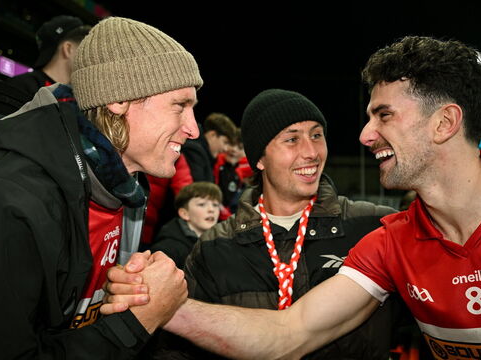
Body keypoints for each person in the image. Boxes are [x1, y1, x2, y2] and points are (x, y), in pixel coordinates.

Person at [104, 36, 481, 359]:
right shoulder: (392, 243)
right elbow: (290, 334)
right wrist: (165, 303)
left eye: (383, 116)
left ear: (445, 123)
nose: (363, 135)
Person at [0, 16, 203, 359]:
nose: (193, 130)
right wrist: (137, 322)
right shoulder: (6, 199)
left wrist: (122, 294)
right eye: (180, 106)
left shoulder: (126, 186)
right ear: (119, 100)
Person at [145, 88, 403, 359]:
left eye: (317, 135)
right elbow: (177, 351)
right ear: (259, 158)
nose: (311, 152)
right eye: (292, 140)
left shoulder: (373, 225)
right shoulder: (215, 247)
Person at [6, 15, 91, 99]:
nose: (91, 56)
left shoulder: (78, 97)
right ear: (68, 49)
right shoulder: (23, 86)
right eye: (85, 48)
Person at [151, 181, 222, 269]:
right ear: (184, 214)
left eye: (215, 205)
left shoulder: (221, 243)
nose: (211, 209)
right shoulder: (169, 249)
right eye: (202, 204)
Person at [183, 112, 238, 182]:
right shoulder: (194, 151)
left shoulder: (206, 154)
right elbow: (199, 188)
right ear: (213, 135)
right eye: (225, 142)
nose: (225, 149)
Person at [213, 128, 253, 214]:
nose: (234, 149)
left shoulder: (251, 170)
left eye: (240, 148)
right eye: (231, 144)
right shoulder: (215, 162)